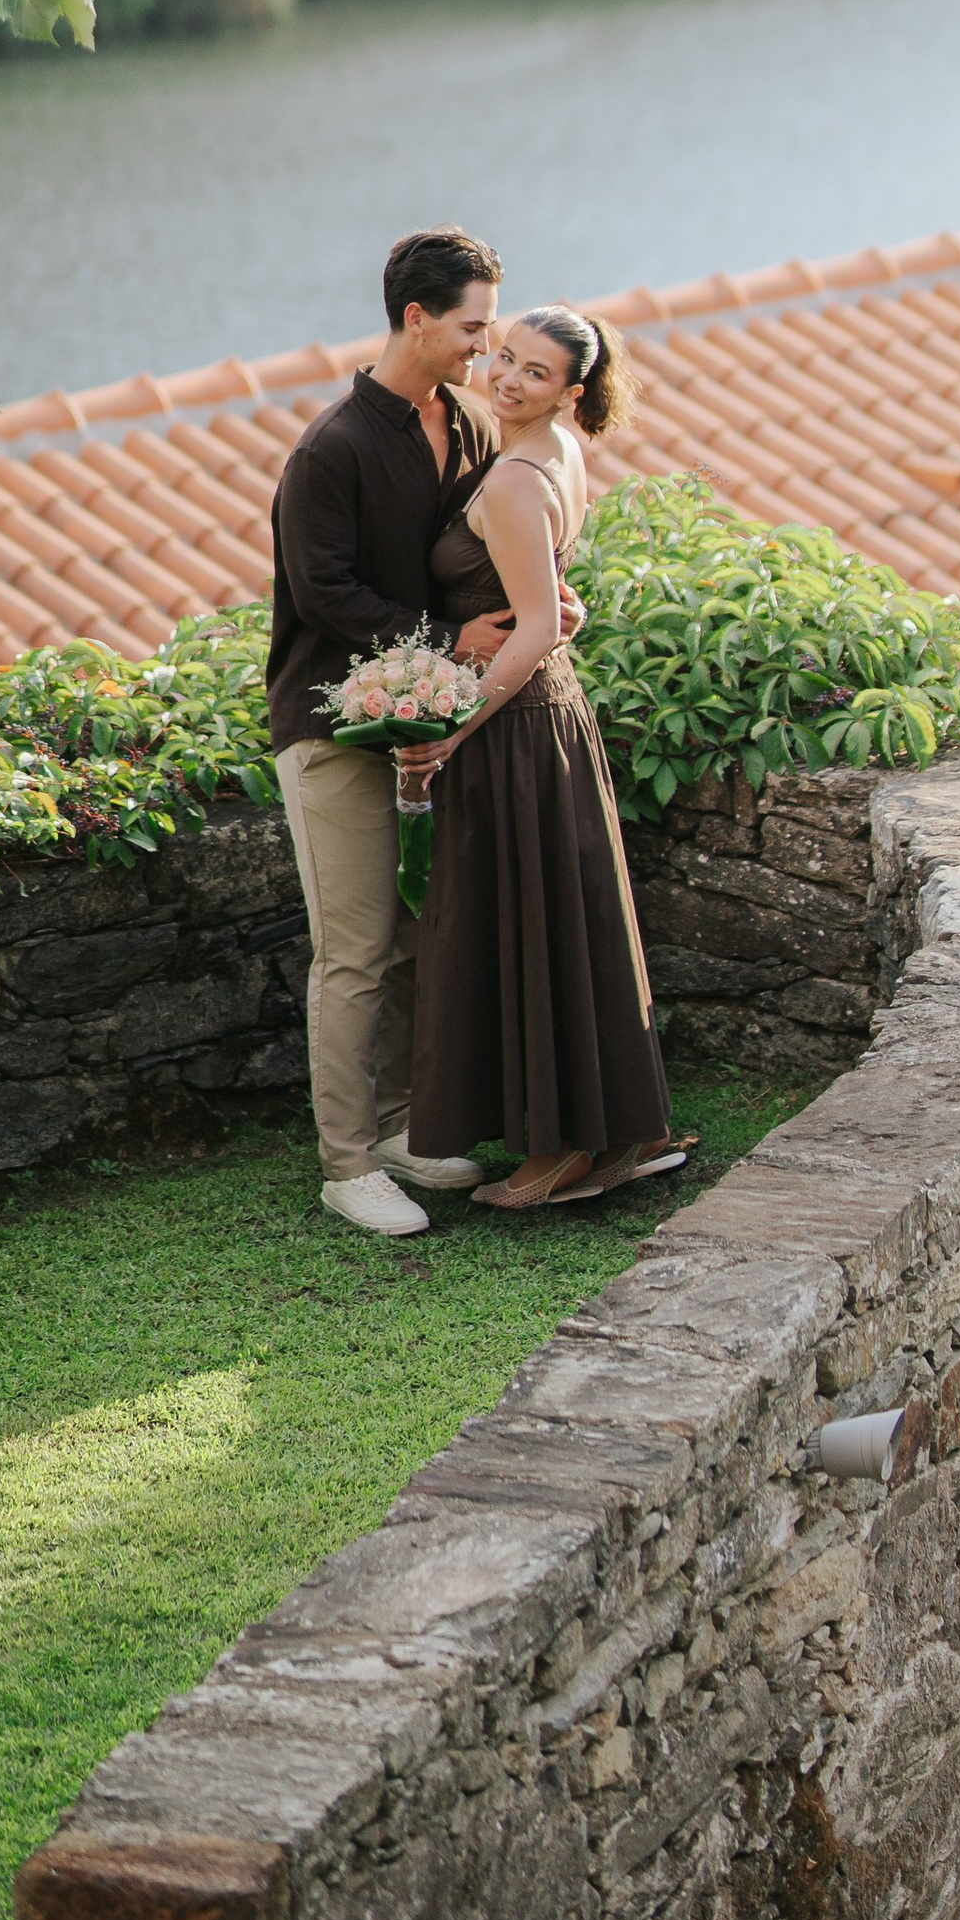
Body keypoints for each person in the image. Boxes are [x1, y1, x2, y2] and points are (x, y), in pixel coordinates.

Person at [269, 224, 514, 1237]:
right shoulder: (329, 449)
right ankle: (346, 1164)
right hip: (332, 728)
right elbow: (327, 593)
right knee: (356, 950)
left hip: (432, 725)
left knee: (420, 933)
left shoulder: (465, 421)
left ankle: (411, 1129)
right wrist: (451, 641)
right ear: (415, 318)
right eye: (472, 328)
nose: (483, 349)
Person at [405, 305, 678, 1212]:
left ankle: (558, 1147)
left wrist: (456, 727)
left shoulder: (519, 476)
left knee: (531, 922)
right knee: (567, 920)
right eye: (506, 359)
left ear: (571, 390)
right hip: (547, 716)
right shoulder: (558, 450)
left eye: (534, 373)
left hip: (516, 726)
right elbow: (557, 608)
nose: (508, 379)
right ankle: (610, 1130)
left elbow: (530, 631)